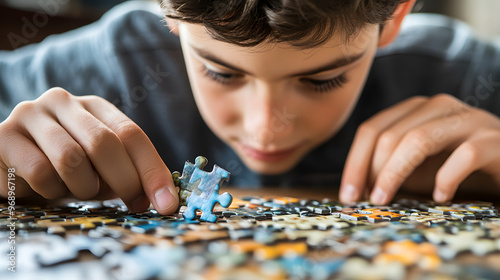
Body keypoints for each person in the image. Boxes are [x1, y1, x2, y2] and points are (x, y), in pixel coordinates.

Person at [1, 0, 500, 215]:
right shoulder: (104, 67)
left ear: (392, 17)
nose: (265, 130)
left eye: (322, 79)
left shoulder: (465, 77)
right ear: (169, 12)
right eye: (221, 72)